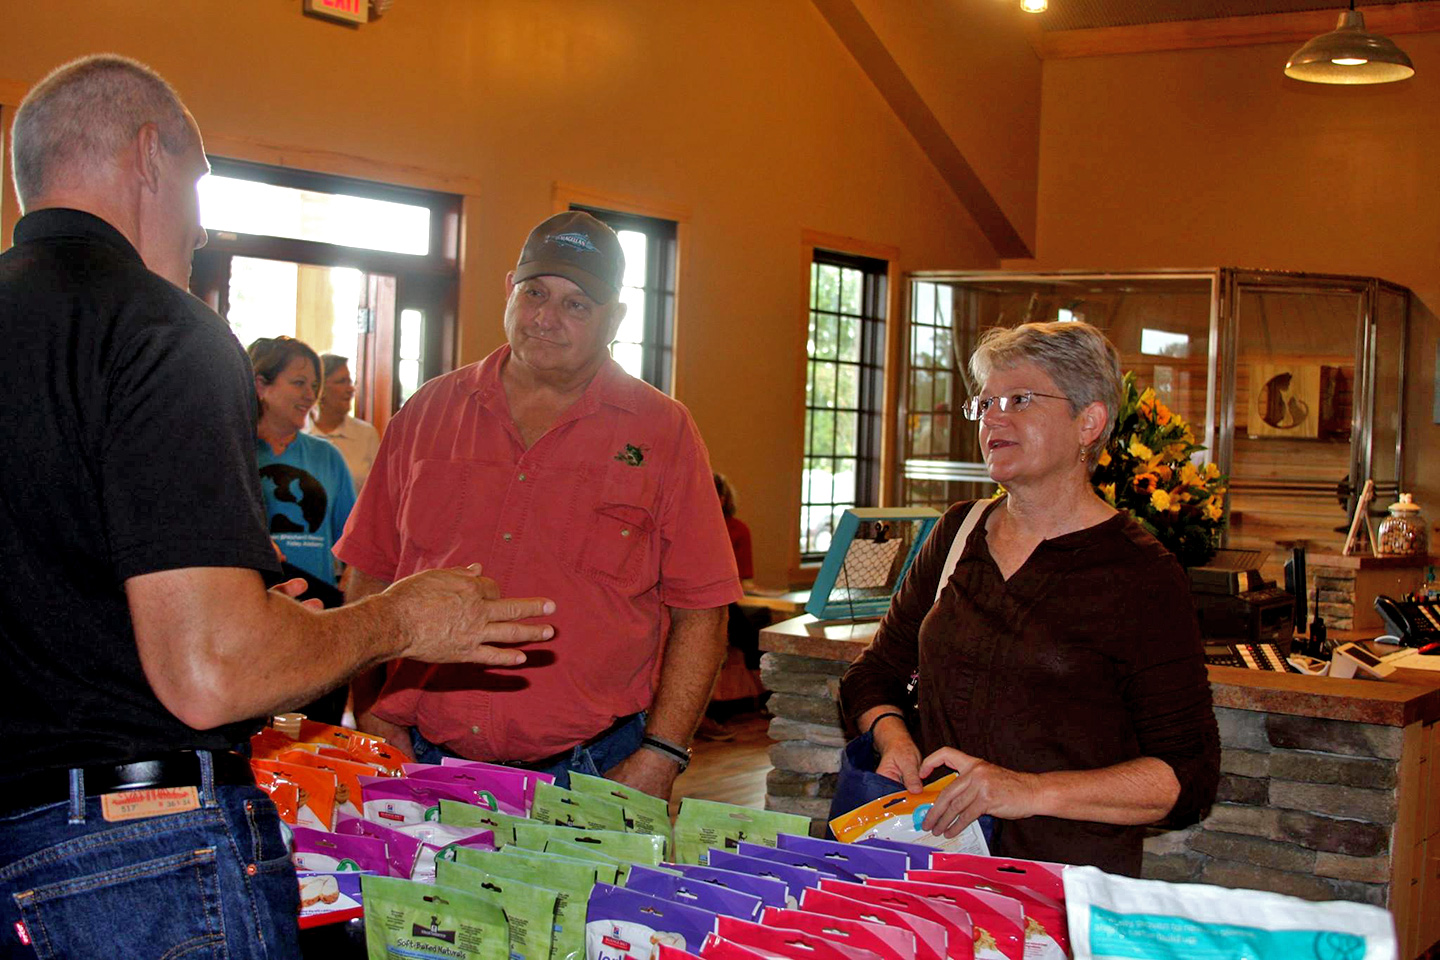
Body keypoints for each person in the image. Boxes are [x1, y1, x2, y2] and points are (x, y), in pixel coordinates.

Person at [0, 55, 555, 958]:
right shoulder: (158, 327)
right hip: (128, 856)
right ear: (149, 155)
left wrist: (263, 626)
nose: (201, 227)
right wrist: (397, 618)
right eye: (198, 186)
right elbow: (211, 669)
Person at [339, 210, 741, 796]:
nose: (547, 319)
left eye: (577, 304)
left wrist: (662, 755)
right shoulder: (428, 413)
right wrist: (374, 719)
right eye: (535, 293)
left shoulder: (663, 432)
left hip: (599, 769)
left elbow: (702, 610)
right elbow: (370, 575)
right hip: (424, 757)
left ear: (616, 319)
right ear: (509, 291)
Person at [840, 320, 1219, 877]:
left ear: (1089, 421)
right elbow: (873, 674)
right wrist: (895, 738)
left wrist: (1027, 791)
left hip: (1060, 888)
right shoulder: (957, 533)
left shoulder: (1141, 574)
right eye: (986, 401)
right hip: (932, 866)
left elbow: (1187, 778)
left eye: (1019, 399)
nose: (993, 417)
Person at [250, 336, 356, 586]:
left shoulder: (328, 456)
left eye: (314, 385)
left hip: (316, 608)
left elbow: (355, 547)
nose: (310, 395)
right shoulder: (234, 454)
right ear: (261, 386)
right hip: (249, 603)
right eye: (299, 383)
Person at [305, 352, 381, 491]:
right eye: (342, 382)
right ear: (320, 388)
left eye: (350, 382)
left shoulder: (366, 434)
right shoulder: (298, 433)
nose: (351, 389)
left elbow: (379, 490)